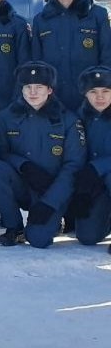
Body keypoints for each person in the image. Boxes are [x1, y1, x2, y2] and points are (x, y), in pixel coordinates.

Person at [0, 61, 86, 248]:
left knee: (38, 240)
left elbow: (74, 166)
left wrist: (50, 202)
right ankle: (13, 227)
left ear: (49, 90)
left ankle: (55, 217)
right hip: (23, 183)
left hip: (52, 189)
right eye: (27, 87)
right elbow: (1, 152)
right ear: (21, 89)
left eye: (38, 87)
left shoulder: (68, 120)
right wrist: (23, 165)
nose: (32, 92)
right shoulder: (5, 117)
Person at [31, 0, 111, 113]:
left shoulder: (97, 15)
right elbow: (37, 60)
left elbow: (107, 54)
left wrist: (101, 88)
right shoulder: (41, 20)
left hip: (91, 96)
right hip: (55, 96)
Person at [69, 66, 111, 252]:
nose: (100, 97)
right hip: (93, 184)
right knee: (87, 237)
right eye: (93, 91)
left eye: (106, 91)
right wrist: (82, 189)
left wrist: (96, 167)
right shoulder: (77, 118)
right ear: (85, 94)